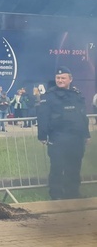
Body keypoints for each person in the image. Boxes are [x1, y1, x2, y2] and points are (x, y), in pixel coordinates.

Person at [37, 66, 90, 200]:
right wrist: (42, 136)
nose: (60, 80)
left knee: (74, 167)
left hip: (76, 139)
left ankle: (72, 194)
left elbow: (82, 116)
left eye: (63, 78)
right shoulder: (49, 96)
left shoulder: (76, 94)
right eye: (58, 78)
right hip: (58, 138)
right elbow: (42, 117)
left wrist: (86, 134)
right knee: (57, 167)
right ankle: (56, 196)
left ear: (70, 79)